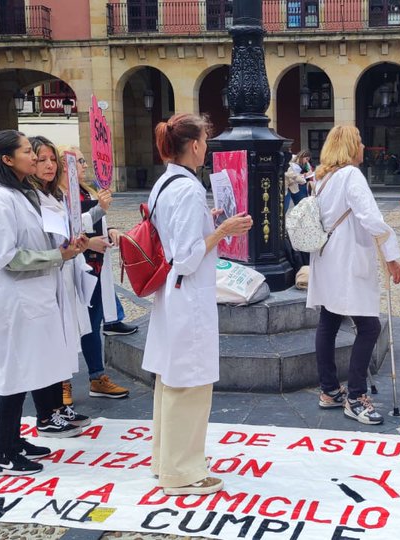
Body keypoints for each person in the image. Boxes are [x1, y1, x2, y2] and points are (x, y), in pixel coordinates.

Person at [143, 113, 252, 496]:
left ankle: (164, 461)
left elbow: (175, 236)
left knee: (171, 383)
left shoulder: (165, 182)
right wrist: (222, 231)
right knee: (189, 384)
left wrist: (210, 222)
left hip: (172, 294)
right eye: (205, 139)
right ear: (194, 145)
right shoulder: (188, 188)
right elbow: (187, 256)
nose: (207, 146)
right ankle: (183, 472)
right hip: (187, 294)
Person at [0, 130, 90, 476]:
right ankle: (0, 453)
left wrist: (68, 245)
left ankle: (14, 440)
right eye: (27, 152)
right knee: (14, 374)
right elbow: (7, 256)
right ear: (7, 160)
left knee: (27, 371)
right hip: (16, 298)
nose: (35, 158)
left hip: (33, 295)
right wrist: (56, 255)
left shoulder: (22, 193)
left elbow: (41, 234)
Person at [307, 125, 400, 426]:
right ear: (351, 147)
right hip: (346, 259)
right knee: (369, 326)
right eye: (360, 142)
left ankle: (329, 390)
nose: (364, 146)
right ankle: (356, 396)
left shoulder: (321, 179)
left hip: (326, 258)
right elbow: (372, 218)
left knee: (330, 320)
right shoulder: (350, 176)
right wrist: (392, 256)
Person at [23, 136, 95, 430]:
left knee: (60, 346)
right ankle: (46, 413)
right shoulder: (29, 198)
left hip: (62, 275)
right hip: (42, 279)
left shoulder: (55, 195)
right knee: (44, 350)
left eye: (53, 159)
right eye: (42, 159)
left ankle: (59, 407)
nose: (50, 165)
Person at [57, 145, 133, 406]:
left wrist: (109, 230)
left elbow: (90, 222)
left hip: (94, 268)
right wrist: (89, 243)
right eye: (79, 161)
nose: (85, 166)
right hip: (69, 267)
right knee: (67, 326)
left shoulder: (84, 191)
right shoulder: (55, 195)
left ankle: (97, 376)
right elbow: (64, 229)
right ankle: (62, 381)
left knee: (92, 323)